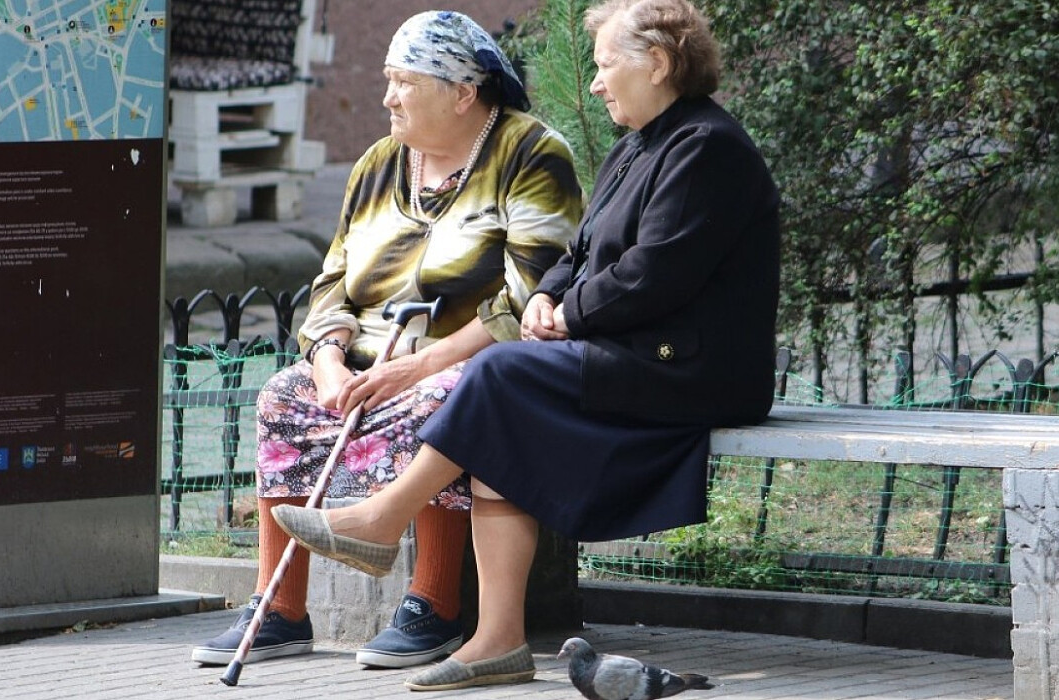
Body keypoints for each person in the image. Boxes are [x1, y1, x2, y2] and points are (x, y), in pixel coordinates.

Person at [268, 0, 780, 690]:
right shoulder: (639, 144)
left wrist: (564, 315)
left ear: (658, 64)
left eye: (605, 66)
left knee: (499, 370)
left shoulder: (707, 147)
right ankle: (498, 640)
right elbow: (578, 253)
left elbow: (655, 274)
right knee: (504, 400)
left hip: (692, 370)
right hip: (640, 354)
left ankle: (384, 519)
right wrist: (547, 296)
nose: (595, 83)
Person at [189, 10, 584, 669]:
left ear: (463, 93)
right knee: (283, 396)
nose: (387, 98)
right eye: (387, 80)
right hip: (368, 359)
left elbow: (530, 295)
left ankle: (434, 604)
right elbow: (332, 282)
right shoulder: (379, 163)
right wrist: (328, 363)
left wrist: (418, 366)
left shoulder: (530, 153)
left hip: (470, 357)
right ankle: (279, 608)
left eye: (405, 82)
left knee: (444, 398)